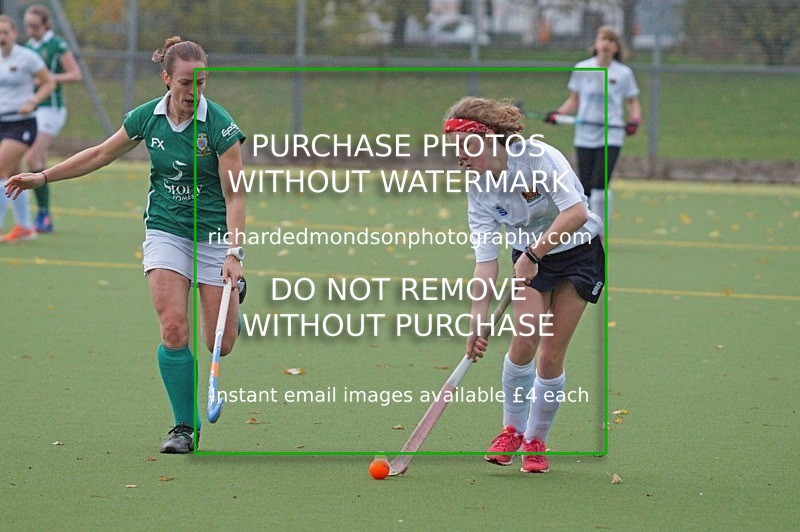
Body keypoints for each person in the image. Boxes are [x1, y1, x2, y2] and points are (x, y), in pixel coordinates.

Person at [6, 37, 246, 454]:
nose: (193, 92)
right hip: (166, 229)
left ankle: (233, 290)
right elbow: (99, 154)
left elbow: (236, 196)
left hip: (213, 236)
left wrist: (233, 253)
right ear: (166, 78)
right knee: (173, 326)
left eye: (201, 83)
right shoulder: (147, 118)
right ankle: (183, 427)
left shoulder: (219, 125)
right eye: (186, 83)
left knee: (219, 343)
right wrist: (42, 177)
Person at [443, 96, 604, 473]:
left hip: (577, 253)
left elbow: (577, 212)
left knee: (550, 354)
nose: (461, 158)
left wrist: (533, 254)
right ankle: (511, 430)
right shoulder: (478, 190)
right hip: (527, 259)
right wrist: (477, 320)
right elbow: (485, 263)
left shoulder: (537, 157)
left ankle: (536, 440)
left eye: (466, 147)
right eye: (454, 152)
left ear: (490, 139)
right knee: (524, 341)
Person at [546, 25, 641, 230]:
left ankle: (599, 230)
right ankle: (584, 228)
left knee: (600, 185)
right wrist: (559, 114)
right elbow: (574, 100)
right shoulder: (582, 68)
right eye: (602, 39)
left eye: (610, 40)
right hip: (585, 135)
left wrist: (634, 120)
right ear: (596, 44)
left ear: (616, 47)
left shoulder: (623, 73)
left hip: (611, 135)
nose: (605, 43)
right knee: (585, 187)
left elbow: (632, 102)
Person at [23, 4, 83, 233]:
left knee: (32, 157)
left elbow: (75, 74)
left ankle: (44, 215)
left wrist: (48, 78)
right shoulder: (28, 46)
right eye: (27, 26)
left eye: (35, 26)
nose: (30, 31)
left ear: (46, 25)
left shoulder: (56, 45)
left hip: (52, 110)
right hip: (31, 109)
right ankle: (36, 215)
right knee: (33, 159)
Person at [0, 15, 55, 243]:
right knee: (13, 175)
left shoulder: (27, 57)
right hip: (2, 121)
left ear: (14, 34)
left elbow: (49, 82)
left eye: (5, 32)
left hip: (21, 124)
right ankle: (24, 227)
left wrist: (33, 101)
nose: (2, 37)